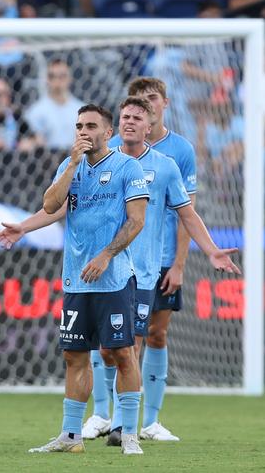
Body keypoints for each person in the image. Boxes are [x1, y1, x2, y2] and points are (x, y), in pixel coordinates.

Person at [88, 97, 240, 446]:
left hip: (142, 272)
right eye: (124, 116)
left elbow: (187, 213)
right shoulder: (100, 159)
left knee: (133, 346)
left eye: (136, 117)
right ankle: (105, 415)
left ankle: (123, 428)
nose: (129, 122)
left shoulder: (166, 166)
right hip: (104, 268)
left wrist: (212, 250)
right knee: (106, 349)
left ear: (150, 124)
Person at [28, 104, 149, 455]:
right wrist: (72, 165)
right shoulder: (71, 166)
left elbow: (137, 220)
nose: (83, 131)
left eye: (91, 126)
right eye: (79, 125)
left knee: (121, 353)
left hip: (113, 280)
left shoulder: (128, 167)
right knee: (74, 357)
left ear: (107, 132)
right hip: (75, 281)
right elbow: (50, 205)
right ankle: (70, 436)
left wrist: (107, 254)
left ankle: (128, 433)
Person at [104, 78, 197, 442]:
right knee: (112, 342)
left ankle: (148, 421)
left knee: (153, 335)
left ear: (163, 104)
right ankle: (105, 415)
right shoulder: (114, 148)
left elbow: (187, 211)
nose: (146, 106)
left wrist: (178, 264)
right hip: (118, 258)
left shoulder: (179, 152)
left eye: (152, 99)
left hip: (159, 259)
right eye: (139, 101)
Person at [24, 59, 85, 151]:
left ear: (70, 78)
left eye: (62, 76)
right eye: (52, 76)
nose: (57, 80)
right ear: (47, 79)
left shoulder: (83, 110)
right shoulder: (35, 112)